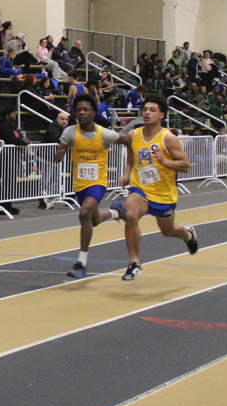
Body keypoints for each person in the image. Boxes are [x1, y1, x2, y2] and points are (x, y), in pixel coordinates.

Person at [111, 95, 198, 281]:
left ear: (161, 115)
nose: (147, 113)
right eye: (145, 109)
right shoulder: (134, 135)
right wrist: (126, 173)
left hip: (164, 193)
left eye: (152, 110)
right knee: (131, 216)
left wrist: (164, 161)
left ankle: (187, 235)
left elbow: (185, 165)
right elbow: (131, 156)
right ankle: (134, 263)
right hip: (140, 188)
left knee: (168, 231)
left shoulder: (168, 138)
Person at [54, 95, 130, 278]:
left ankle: (81, 262)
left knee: (84, 213)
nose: (81, 112)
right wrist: (60, 152)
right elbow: (58, 157)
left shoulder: (104, 134)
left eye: (86, 109)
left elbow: (129, 141)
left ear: (94, 113)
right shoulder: (70, 132)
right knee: (93, 219)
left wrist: (128, 170)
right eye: (78, 109)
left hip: (98, 182)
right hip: (80, 184)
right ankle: (116, 212)